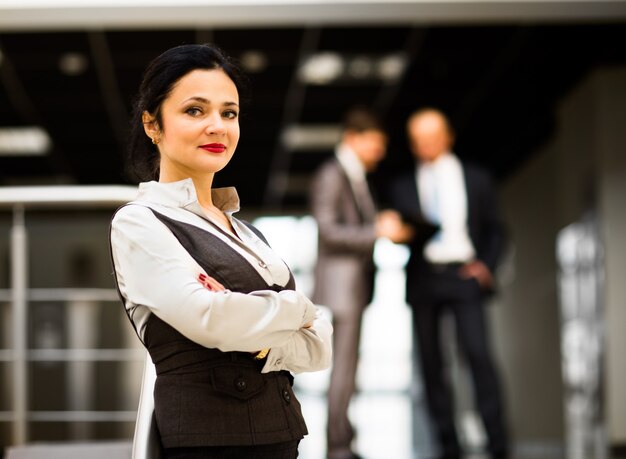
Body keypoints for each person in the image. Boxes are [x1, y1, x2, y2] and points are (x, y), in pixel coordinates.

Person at [109, 43, 333, 459]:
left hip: (281, 438)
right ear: (152, 124)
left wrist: (260, 335)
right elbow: (210, 318)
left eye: (228, 113)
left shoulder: (246, 232)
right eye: (195, 110)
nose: (218, 126)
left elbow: (320, 348)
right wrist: (299, 309)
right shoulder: (140, 221)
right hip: (209, 444)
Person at [388, 108, 509, 459]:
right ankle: (447, 447)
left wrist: (485, 265)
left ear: (448, 136)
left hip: (464, 276)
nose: (426, 145)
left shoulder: (476, 178)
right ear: (412, 144)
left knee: (479, 358)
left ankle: (498, 445)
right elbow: (404, 232)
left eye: (432, 136)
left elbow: (496, 229)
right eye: (418, 139)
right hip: (424, 277)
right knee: (431, 366)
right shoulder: (401, 185)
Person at [310, 107, 413, 459]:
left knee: (349, 369)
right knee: (343, 370)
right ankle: (339, 446)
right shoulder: (332, 174)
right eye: (375, 144)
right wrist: (377, 230)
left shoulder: (356, 176)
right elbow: (328, 231)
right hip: (342, 288)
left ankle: (343, 441)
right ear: (353, 138)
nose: (379, 152)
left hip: (354, 286)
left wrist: (377, 224)